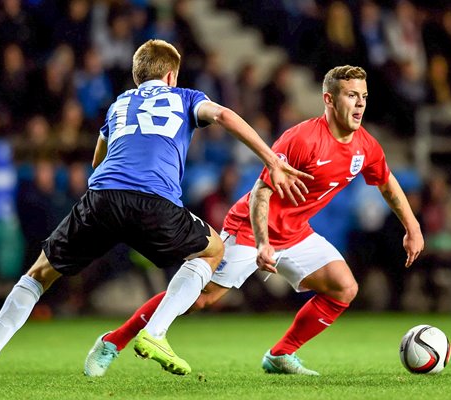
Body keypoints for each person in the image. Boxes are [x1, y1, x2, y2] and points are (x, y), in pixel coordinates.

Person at [0, 39, 312, 384]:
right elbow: (221, 114)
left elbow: (98, 160)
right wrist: (271, 159)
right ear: (172, 75)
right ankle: (155, 332)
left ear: (137, 76)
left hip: (103, 198)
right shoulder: (185, 97)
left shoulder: (119, 104)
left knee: (39, 273)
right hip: (154, 203)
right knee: (213, 249)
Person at [83, 65, 424, 377]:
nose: (360, 104)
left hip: (296, 233)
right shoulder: (303, 139)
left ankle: (280, 355)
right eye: (352, 95)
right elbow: (261, 192)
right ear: (329, 100)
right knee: (200, 299)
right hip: (250, 229)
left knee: (344, 288)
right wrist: (263, 242)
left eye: (363, 96)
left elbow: (387, 182)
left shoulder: (365, 146)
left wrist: (413, 228)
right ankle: (112, 342)